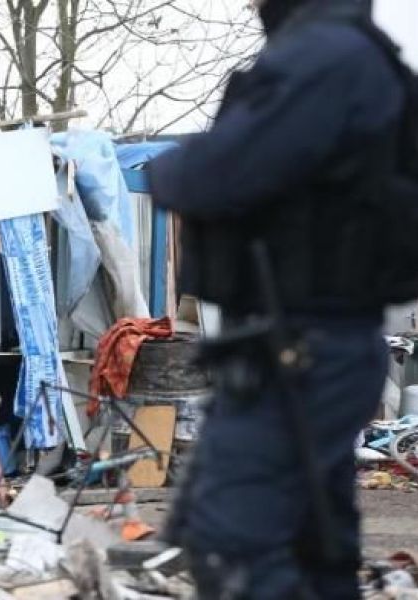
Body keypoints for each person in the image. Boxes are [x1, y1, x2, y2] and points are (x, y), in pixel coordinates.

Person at [148, 0, 409, 598]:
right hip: (314, 341)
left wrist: (172, 170)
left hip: (302, 348)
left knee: (232, 541)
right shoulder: (350, 52)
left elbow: (220, 174)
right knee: (314, 543)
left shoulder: (324, 56)